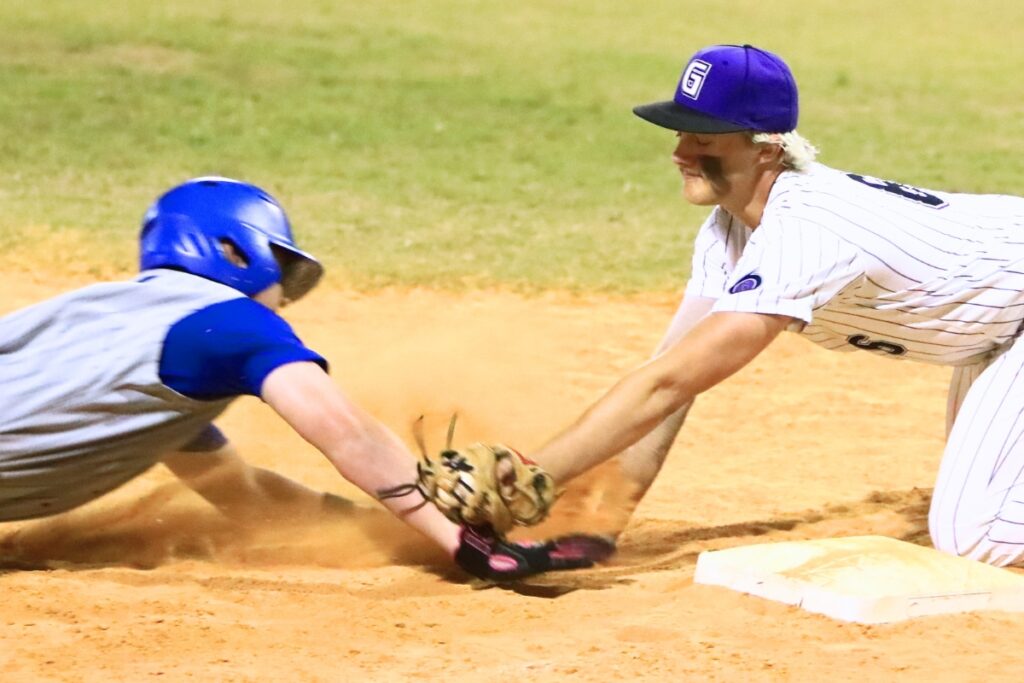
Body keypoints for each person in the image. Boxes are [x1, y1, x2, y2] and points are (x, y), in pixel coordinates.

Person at [516, 44, 1024, 567]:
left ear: (766, 148)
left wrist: (530, 472)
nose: (680, 152)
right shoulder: (728, 229)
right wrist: (598, 527)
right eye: (679, 133)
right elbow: (669, 375)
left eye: (703, 138)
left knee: (974, 537)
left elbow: (666, 386)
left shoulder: (807, 233)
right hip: (1000, 332)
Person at [0, 176, 612, 580]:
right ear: (235, 253)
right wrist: (459, 540)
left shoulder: (126, 345)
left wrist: (388, 533)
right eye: (282, 270)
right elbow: (347, 432)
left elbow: (246, 496)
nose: (284, 301)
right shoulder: (229, 323)